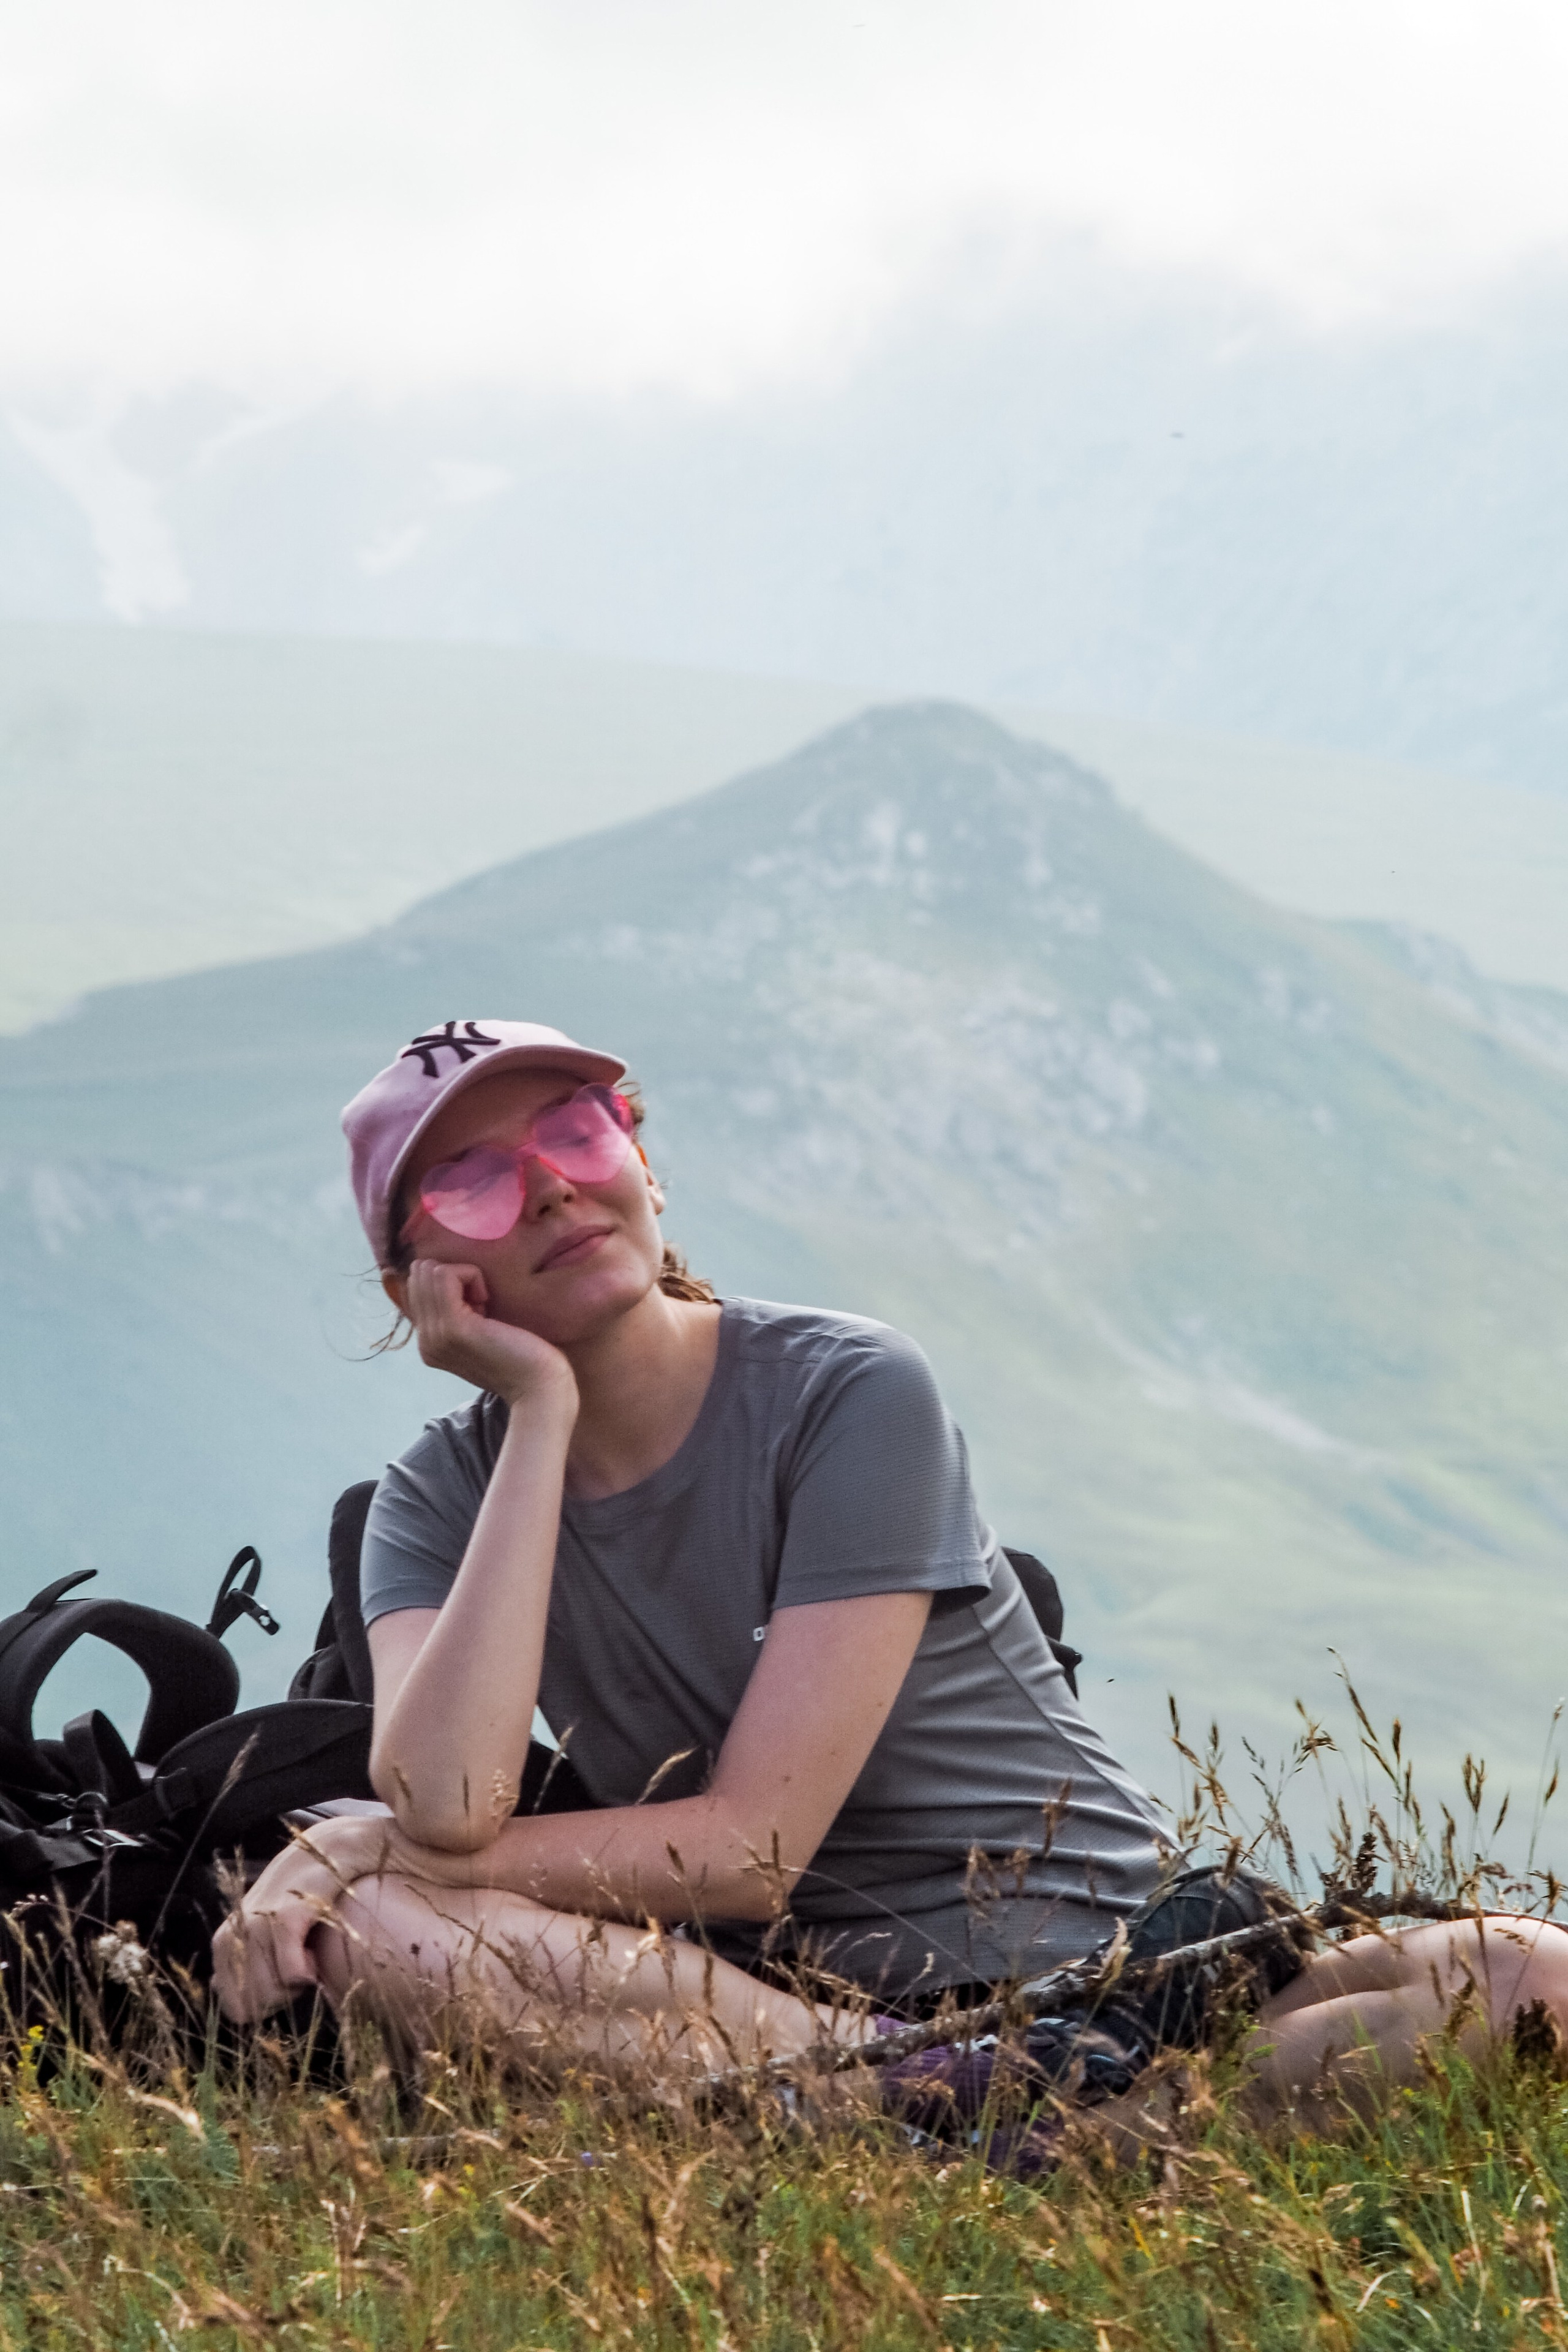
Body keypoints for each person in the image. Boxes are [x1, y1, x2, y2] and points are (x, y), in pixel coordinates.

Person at [213, 1019, 1568, 2130]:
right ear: (423, 1287)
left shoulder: (846, 1388)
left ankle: (1073, 2134)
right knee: (383, 1928)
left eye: (575, 1129)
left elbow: (749, 1848)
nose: (555, 1185)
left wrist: (353, 1839)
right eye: (475, 1186)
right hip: (798, 2007)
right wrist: (537, 1415)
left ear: (641, 1157)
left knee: (1531, 1979)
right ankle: (986, 2108)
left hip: (1115, 1959)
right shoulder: (436, 1496)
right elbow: (448, 1805)